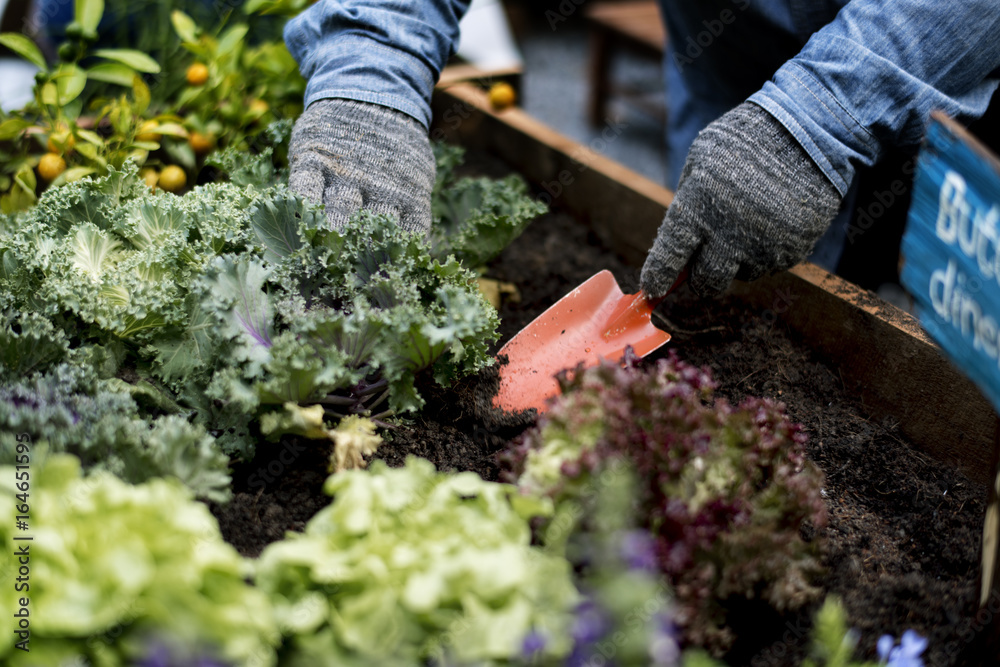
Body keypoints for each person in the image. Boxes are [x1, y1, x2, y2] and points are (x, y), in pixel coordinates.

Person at [284, 1, 1000, 297]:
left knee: (927, 329)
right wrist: (375, 57)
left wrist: (823, 115)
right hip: (728, 35)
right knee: (721, 266)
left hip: (944, 64)